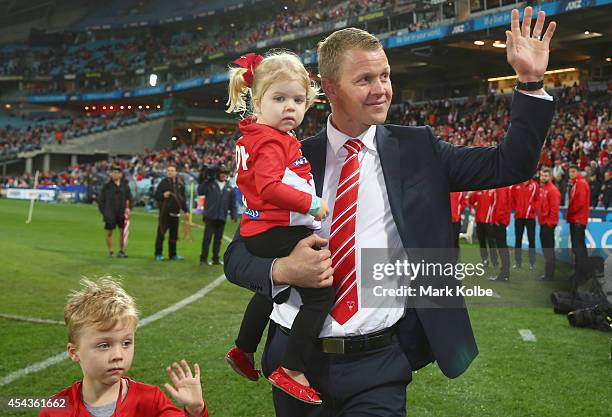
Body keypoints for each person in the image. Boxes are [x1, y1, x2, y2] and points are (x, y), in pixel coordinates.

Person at [224, 8, 556, 416]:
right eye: (364, 79)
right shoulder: (294, 157)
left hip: (379, 363)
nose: (381, 89)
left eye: (385, 76)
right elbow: (237, 257)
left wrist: (530, 83)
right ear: (329, 88)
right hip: (297, 360)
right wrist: (282, 271)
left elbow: (512, 164)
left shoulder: (420, 150)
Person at [224, 51, 330, 405]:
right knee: (319, 291)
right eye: (279, 98)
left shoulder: (260, 135)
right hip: (276, 227)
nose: (290, 108)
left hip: (261, 228)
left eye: (298, 100)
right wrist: (312, 204)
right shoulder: (271, 139)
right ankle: (293, 368)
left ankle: (243, 348)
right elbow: (269, 187)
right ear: (257, 101)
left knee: (273, 288)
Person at [39, 277, 207, 417]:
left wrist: (195, 410)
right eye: (104, 345)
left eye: (126, 343)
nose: (118, 355)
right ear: (74, 352)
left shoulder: (151, 401)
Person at [198, 165, 237, 266]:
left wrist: (234, 215)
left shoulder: (229, 188)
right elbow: (200, 191)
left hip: (222, 217)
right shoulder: (210, 184)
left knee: (218, 240)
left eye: (226, 174)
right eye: (222, 173)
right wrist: (205, 178)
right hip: (210, 216)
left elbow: (232, 203)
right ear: (218, 174)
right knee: (207, 239)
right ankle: (203, 259)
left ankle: (215, 258)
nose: (224, 175)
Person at [155, 163, 189, 261]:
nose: (169, 172)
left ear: (176, 172)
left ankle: (173, 255)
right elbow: (156, 195)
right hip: (164, 213)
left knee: (174, 235)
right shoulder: (163, 183)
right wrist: (163, 195)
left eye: (172, 170)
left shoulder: (180, 184)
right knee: (161, 234)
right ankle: (158, 254)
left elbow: (183, 199)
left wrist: (186, 211)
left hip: (175, 213)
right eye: (168, 170)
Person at [97, 165, 132, 258]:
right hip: (110, 212)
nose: (115, 174)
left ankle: (122, 251)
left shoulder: (125, 186)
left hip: (121, 212)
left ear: (121, 175)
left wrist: (129, 208)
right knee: (109, 232)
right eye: (113, 173)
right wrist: (104, 212)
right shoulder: (107, 186)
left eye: (117, 173)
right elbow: (101, 200)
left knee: (122, 232)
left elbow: (129, 198)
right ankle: (110, 251)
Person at [566, 164, 590, 284]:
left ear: (578, 172)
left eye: (573, 172)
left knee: (578, 248)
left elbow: (578, 203)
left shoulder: (580, 183)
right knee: (579, 248)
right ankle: (581, 273)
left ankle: (581, 274)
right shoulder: (578, 183)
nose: (571, 174)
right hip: (577, 220)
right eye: (570, 172)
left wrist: (570, 213)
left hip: (577, 220)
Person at [510, 178, 539, 270]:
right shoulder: (516, 185)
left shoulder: (534, 185)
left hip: (530, 218)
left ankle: (532, 263)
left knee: (531, 240)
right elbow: (512, 199)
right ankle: (518, 263)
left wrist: (532, 209)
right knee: (518, 240)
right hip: (519, 217)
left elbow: (538, 199)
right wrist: (517, 209)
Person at [538, 167, 561, 281]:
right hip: (543, 223)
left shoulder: (552, 190)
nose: (543, 177)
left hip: (548, 224)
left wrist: (550, 224)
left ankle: (549, 275)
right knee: (546, 250)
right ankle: (548, 274)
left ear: (550, 177)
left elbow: (554, 209)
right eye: (542, 175)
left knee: (549, 250)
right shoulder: (543, 188)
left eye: (546, 176)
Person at [489, 186, 512, 281]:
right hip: (501, 220)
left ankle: (504, 273)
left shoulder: (501, 187)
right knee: (502, 246)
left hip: (500, 221)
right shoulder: (502, 186)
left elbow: (501, 203)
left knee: (502, 247)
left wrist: (497, 219)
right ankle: (505, 272)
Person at [469, 189, 496, 268]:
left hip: (489, 221)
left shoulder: (493, 191)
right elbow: (470, 202)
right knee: (482, 242)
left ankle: (494, 261)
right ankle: (484, 260)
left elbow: (496, 205)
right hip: (479, 221)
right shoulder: (477, 192)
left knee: (491, 242)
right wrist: (472, 208)